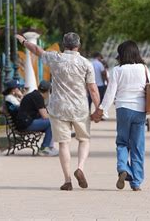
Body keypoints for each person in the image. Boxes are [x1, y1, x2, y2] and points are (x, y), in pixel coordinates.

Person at [16, 32, 100, 191]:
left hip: (59, 108)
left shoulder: (55, 58)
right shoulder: (85, 63)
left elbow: (36, 49)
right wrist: (99, 108)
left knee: (63, 143)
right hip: (79, 108)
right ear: (78, 45)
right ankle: (80, 168)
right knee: (84, 140)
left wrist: (23, 41)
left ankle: (67, 180)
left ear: (63, 45)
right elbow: (93, 89)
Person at [92, 40, 150, 191]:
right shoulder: (143, 68)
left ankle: (123, 168)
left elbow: (110, 92)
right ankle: (136, 182)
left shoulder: (117, 70)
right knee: (138, 146)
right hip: (139, 111)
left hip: (123, 109)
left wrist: (101, 110)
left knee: (122, 142)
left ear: (122, 54)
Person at [16, 81, 58, 156]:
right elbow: (45, 116)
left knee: (51, 122)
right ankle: (44, 148)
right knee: (51, 122)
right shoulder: (38, 97)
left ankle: (50, 147)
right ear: (48, 91)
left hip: (24, 122)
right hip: (26, 124)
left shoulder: (34, 95)